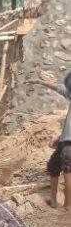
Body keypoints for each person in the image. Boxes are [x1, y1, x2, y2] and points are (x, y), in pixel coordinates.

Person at [31, 73, 71, 210]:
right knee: (53, 165)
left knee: (68, 171)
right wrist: (61, 137)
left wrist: (41, 81)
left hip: (69, 144)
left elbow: (59, 88)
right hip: (65, 141)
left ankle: (68, 205)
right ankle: (54, 201)